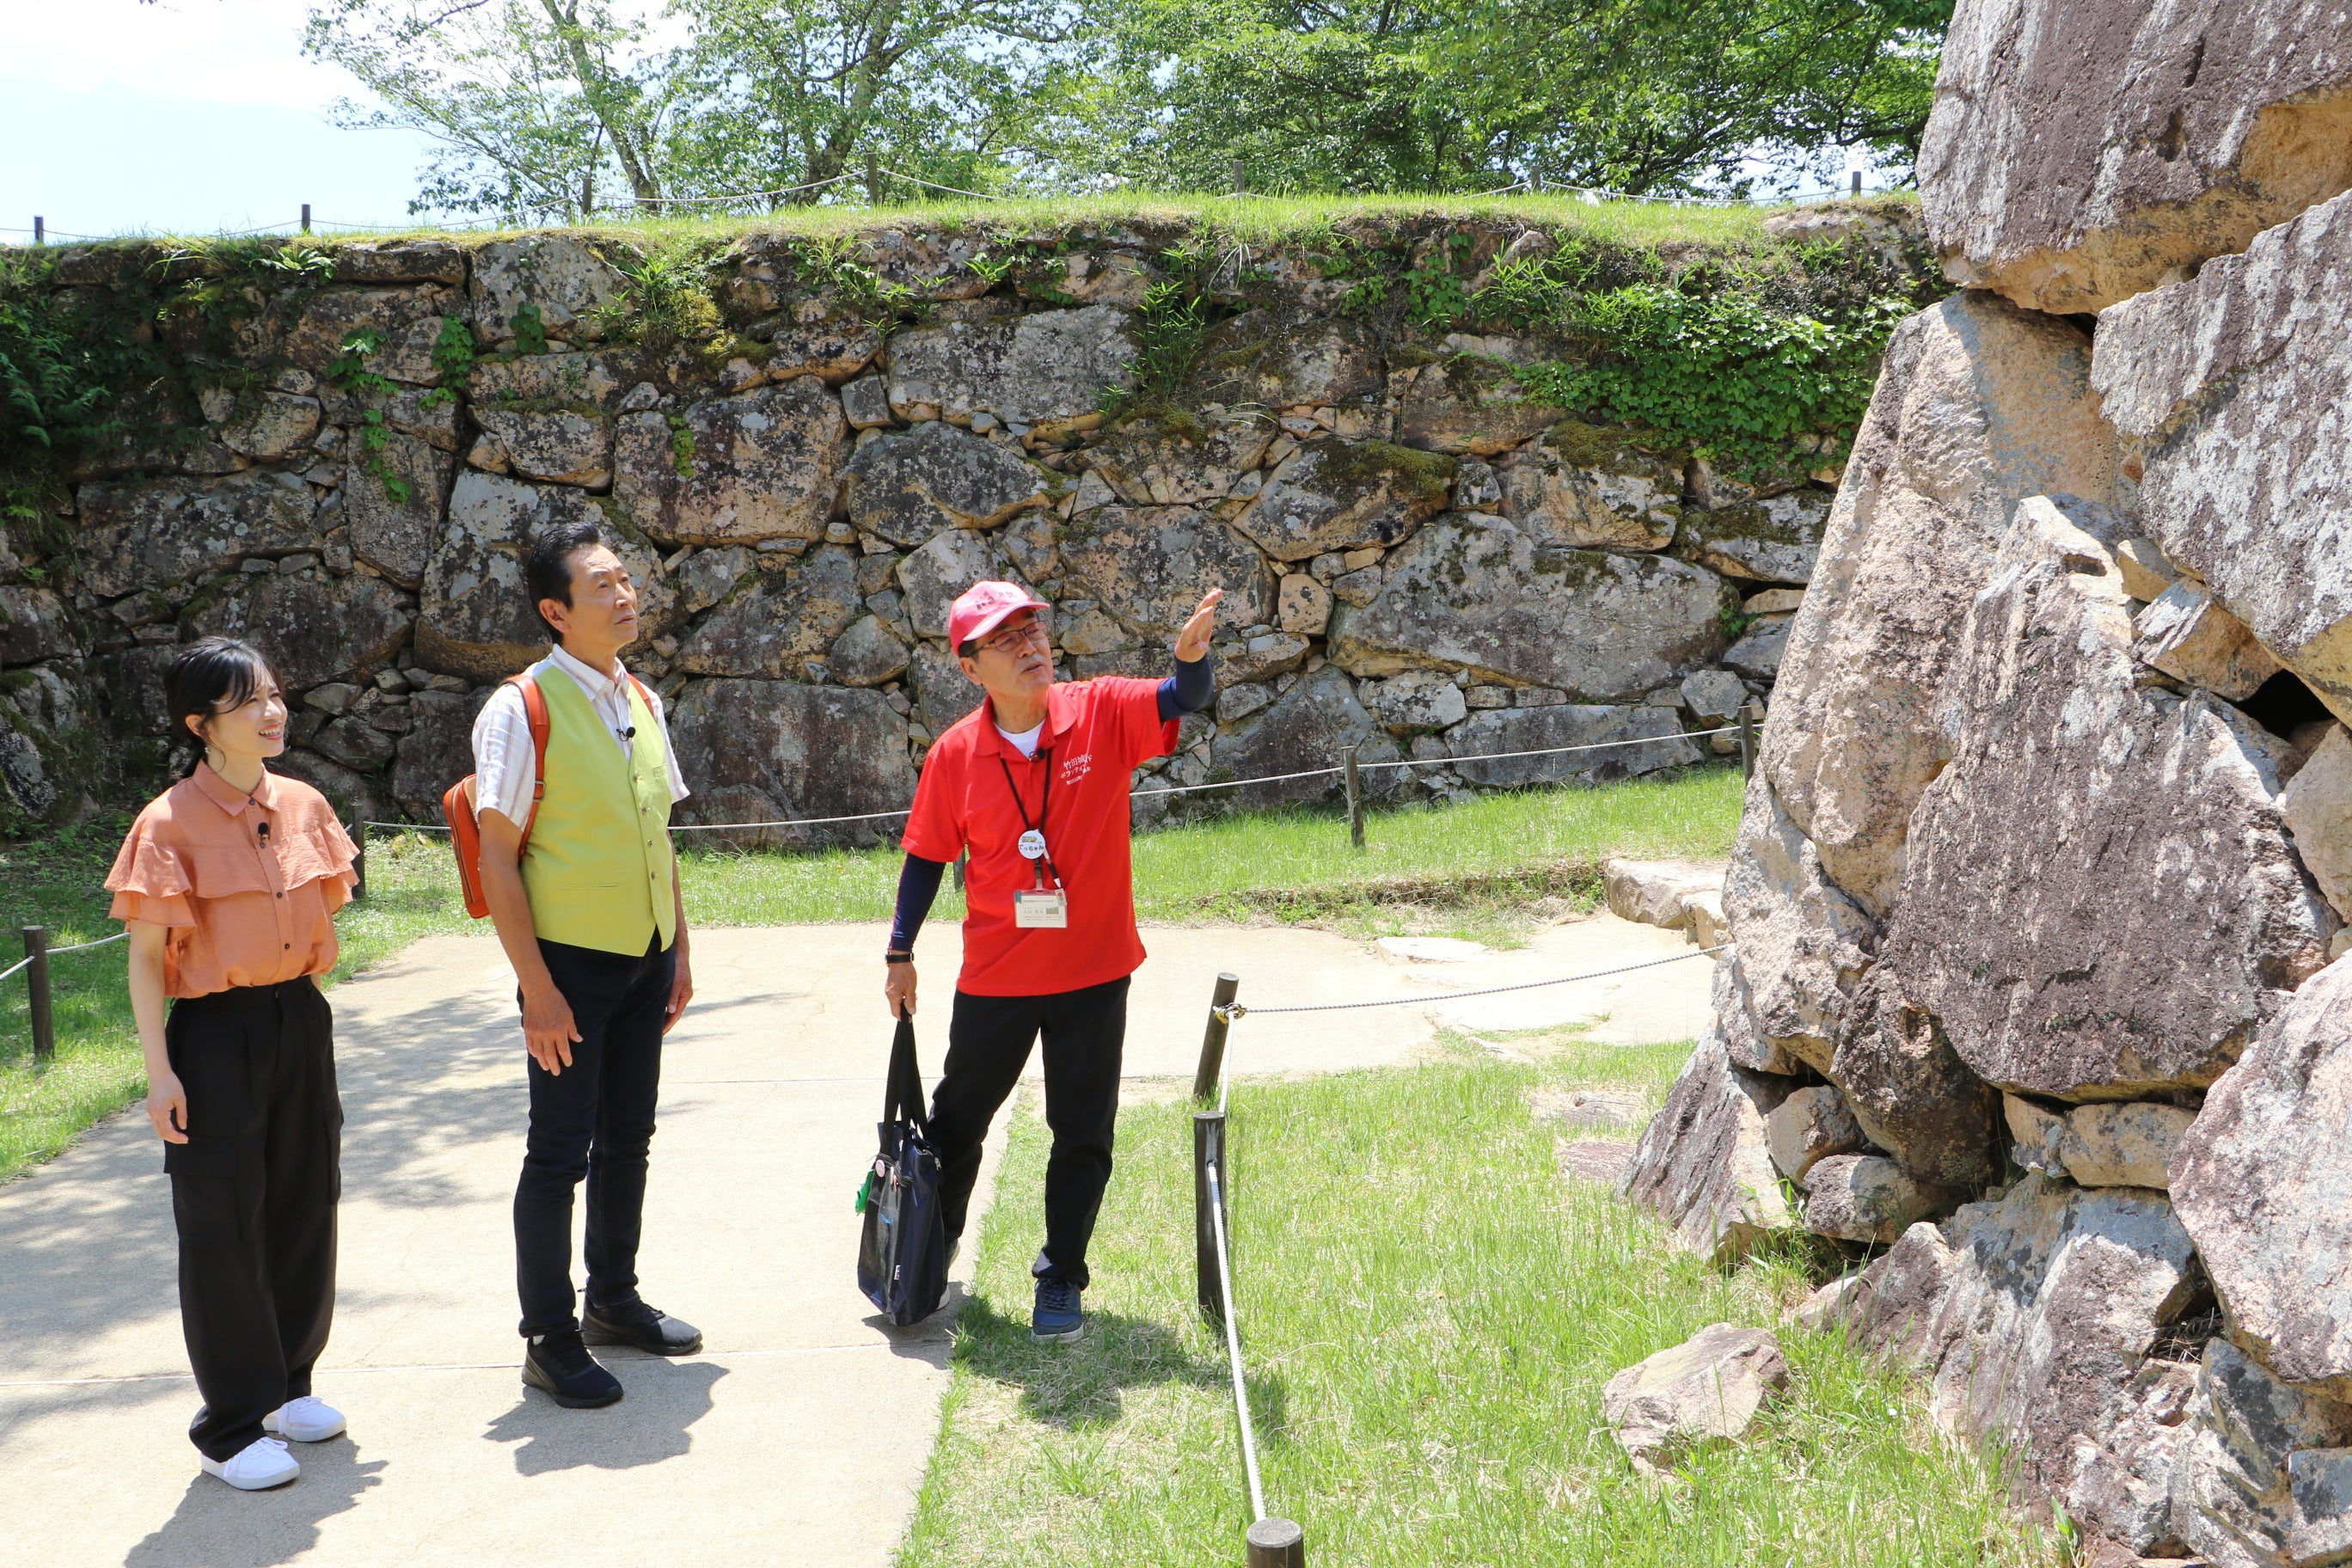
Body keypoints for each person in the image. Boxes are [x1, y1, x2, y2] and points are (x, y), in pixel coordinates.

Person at [885, 580, 1220, 1342]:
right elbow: (926, 857)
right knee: (956, 1122)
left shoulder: (1100, 709)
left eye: (1033, 629)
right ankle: (930, 1252)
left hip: (1093, 972)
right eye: (1005, 638)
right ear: (971, 667)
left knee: (1082, 1132)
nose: (1030, 645)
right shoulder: (956, 754)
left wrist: (1191, 658)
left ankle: (1061, 1275)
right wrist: (900, 950)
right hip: (997, 978)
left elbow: (1183, 698)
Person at [106, 637, 360, 1491]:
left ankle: (288, 1388)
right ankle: (229, 1427)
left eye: (275, 694)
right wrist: (160, 1073)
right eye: (249, 702)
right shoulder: (167, 822)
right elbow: (147, 960)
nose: (272, 712)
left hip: (300, 1017)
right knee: (222, 1223)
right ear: (200, 725)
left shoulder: (305, 804)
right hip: (215, 1033)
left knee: (306, 1201)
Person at [471, 518, 698, 1410]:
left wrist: (678, 949)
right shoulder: (520, 709)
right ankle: (549, 1336)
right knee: (559, 1152)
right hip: (567, 967)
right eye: (600, 585)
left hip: (644, 957)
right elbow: (497, 859)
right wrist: (538, 990)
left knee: (629, 1136)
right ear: (555, 612)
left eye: (624, 579)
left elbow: (659, 832)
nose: (624, 594)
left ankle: (612, 1299)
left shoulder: (640, 696)